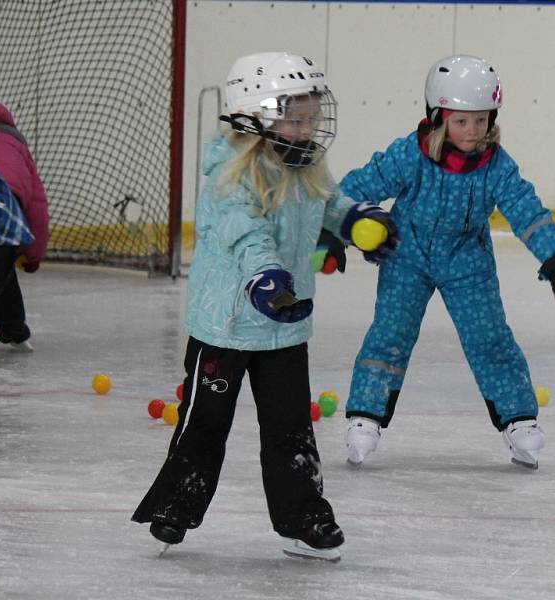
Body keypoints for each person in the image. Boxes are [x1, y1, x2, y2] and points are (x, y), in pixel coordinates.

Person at [131, 52, 396, 562]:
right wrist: (266, 278)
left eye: (312, 116)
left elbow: (331, 204)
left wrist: (361, 221)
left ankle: (305, 518)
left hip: (284, 326)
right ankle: (176, 505)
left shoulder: (306, 162)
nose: (309, 127)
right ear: (255, 119)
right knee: (204, 421)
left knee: (291, 428)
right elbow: (246, 235)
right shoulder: (229, 179)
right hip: (226, 327)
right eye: (297, 118)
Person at [341, 55, 555, 470]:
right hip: (408, 254)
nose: (473, 131)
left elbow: (527, 211)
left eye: (481, 120)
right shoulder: (410, 154)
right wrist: (343, 227)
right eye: (462, 122)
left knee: (490, 338)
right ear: (438, 117)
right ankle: (365, 416)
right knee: (390, 333)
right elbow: (356, 186)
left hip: (467, 260)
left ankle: (518, 419)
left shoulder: (496, 165)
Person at [0, 98, 49, 352]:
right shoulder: (17, 144)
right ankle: (14, 328)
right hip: (3, 213)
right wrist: (33, 255)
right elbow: (37, 208)